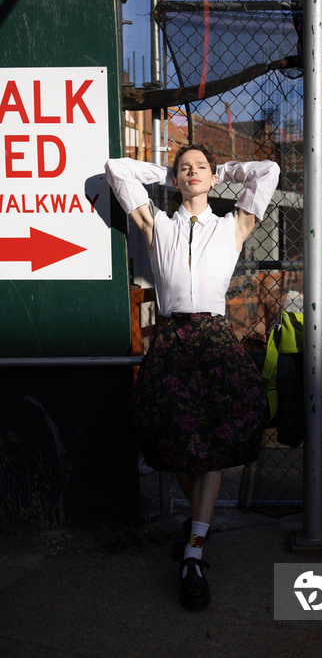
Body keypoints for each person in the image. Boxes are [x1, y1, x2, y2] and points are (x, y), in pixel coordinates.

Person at [105, 145, 280, 611]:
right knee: (172, 437)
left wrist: (223, 170)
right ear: (175, 180)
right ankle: (199, 528)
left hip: (214, 338)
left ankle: (195, 549)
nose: (193, 173)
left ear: (211, 176)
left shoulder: (231, 226)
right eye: (186, 169)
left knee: (215, 441)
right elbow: (116, 169)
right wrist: (167, 172)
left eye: (199, 167)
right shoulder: (157, 224)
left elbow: (269, 171)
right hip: (170, 339)